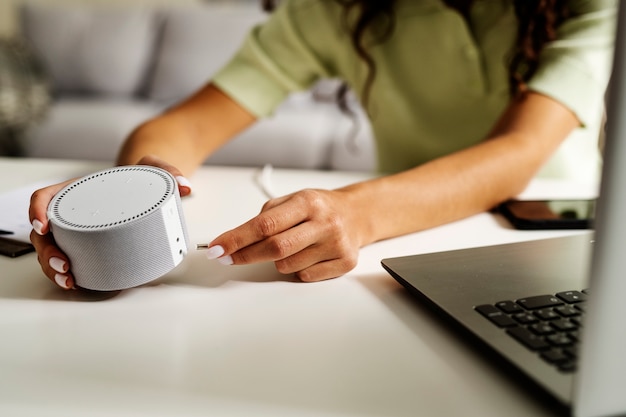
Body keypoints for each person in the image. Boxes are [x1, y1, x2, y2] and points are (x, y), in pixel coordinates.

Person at [29, 0, 616, 290]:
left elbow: (518, 152)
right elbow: (181, 130)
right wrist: (129, 194)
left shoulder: (585, 4)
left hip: (564, 244)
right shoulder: (339, 10)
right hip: (406, 246)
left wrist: (354, 212)